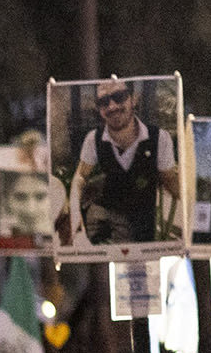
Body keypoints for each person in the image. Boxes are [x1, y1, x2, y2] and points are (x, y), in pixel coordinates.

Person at [69, 78, 178, 246]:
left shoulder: (159, 138)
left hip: (143, 233)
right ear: (99, 109)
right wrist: (75, 216)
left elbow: (170, 181)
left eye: (119, 97)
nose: (112, 106)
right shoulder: (93, 139)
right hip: (104, 228)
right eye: (104, 102)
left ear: (133, 99)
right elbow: (81, 176)